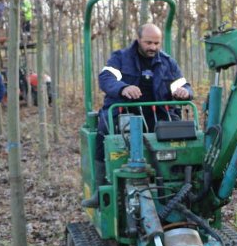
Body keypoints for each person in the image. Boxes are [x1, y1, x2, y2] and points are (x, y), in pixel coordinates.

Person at [82, 23, 193, 208]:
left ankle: (178, 183)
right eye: (148, 42)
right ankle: (101, 189)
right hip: (124, 113)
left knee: (183, 135)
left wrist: (184, 92)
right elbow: (106, 79)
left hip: (159, 115)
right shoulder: (120, 58)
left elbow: (182, 84)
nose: (153, 47)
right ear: (138, 39)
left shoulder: (168, 63)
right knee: (104, 131)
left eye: (156, 43)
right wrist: (123, 88)